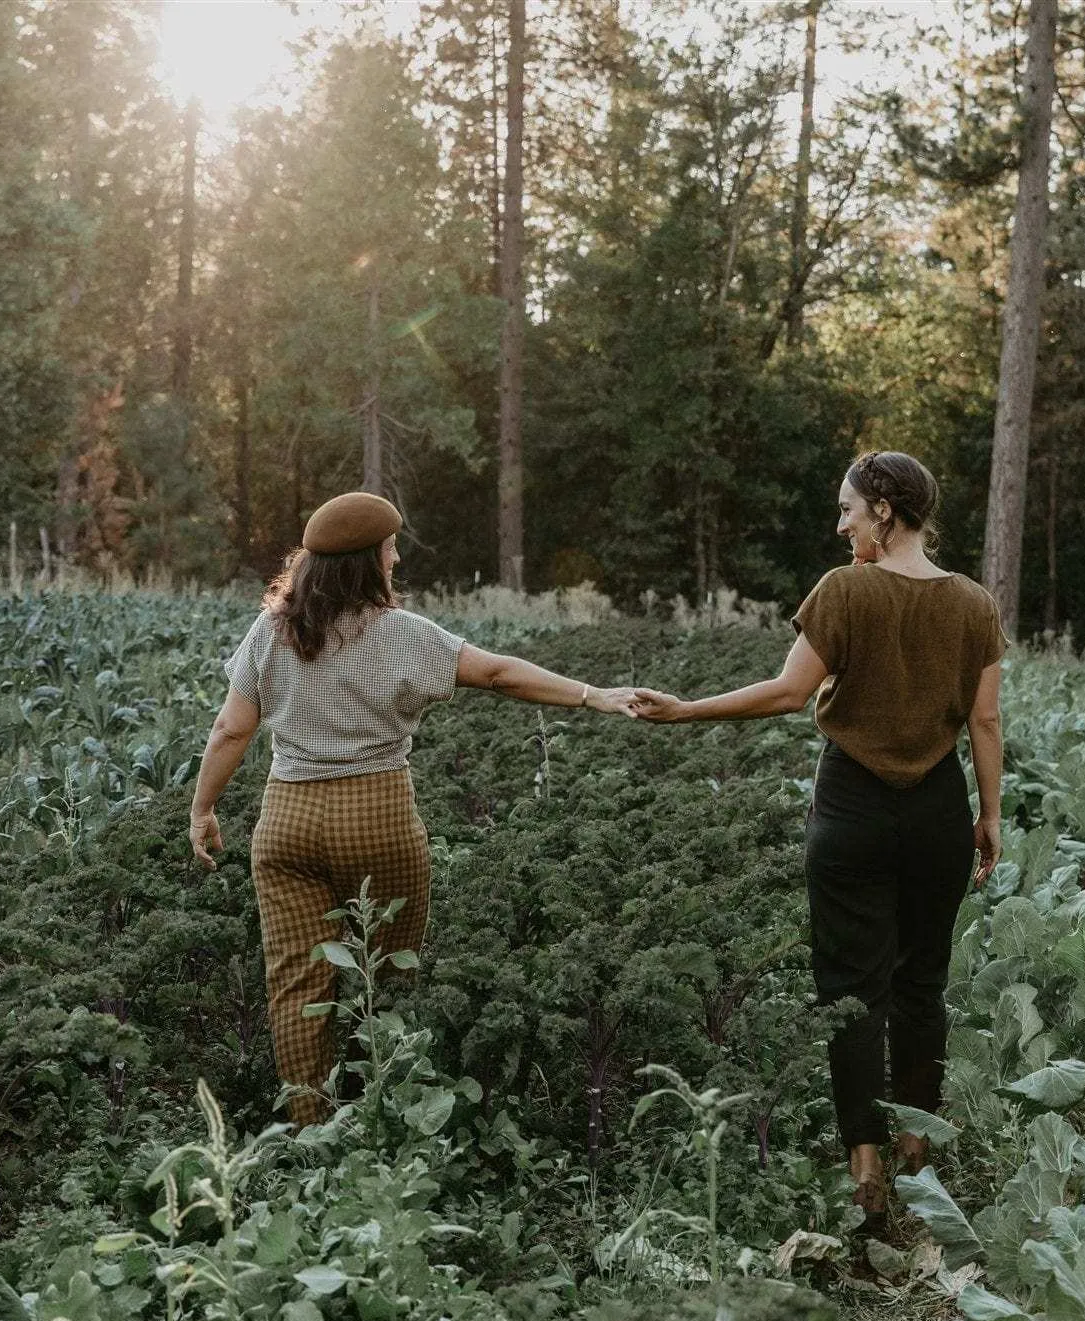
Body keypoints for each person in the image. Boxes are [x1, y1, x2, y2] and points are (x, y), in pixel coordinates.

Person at [633, 451, 1004, 1221]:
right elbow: (986, 720)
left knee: (850, 992)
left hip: (852, 810)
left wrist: (687, 710)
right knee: (922, 985)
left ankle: (864, 1168)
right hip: (939, 809)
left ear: (885, 512)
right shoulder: (975, 604)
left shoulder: (844, 591)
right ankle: (916, 1153)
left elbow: (787, 692)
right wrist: (989, 815)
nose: (841, 525)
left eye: (848, 510)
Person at [190, 491, 639, 1124]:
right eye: (390, 547)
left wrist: (202, 809)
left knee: (296, 985)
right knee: (393, 974)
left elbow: (230, 730)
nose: (397, 556)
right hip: (376, 817)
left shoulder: (273, 629)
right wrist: (594, 695)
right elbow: (500, 674)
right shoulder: (402, 635)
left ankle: (310, 1132)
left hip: (285, 821)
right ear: (367, 561)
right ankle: (386, 1116)